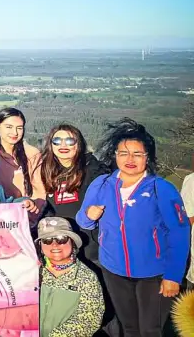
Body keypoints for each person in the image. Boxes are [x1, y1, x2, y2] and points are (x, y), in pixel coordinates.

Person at [78, 118, 189, 337]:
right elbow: (83, 221)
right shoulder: (102, 184)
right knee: (128, 328)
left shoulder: (161, 189)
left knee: (150, 330)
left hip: (154, 274)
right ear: (115, 155)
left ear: (148, 158)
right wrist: (89, 215)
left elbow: (180, 233)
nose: (130, 159)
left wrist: (173, 276)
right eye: (123, 153)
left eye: (138, 154)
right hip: (114, 270)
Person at [37, 124, 105, 266]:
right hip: (58, 245)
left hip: (91, 247)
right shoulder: (45, 170)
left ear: (78, 144)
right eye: (57, 141)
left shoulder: (93, 170)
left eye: (69, 141)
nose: (63, 145)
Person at [37, 217, 105, 337]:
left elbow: (89, 321)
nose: (54, 244)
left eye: (61, 239)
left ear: (72, 242)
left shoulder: (87, 277)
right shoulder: (31, 274)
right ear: (41, 246)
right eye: (47, 240)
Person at [0, 108, 45, 209]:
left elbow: (39, 192)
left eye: (19, 128)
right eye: (9, 127)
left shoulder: (32, 154)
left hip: (28, 217)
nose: (14, 133)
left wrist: (30, 217)